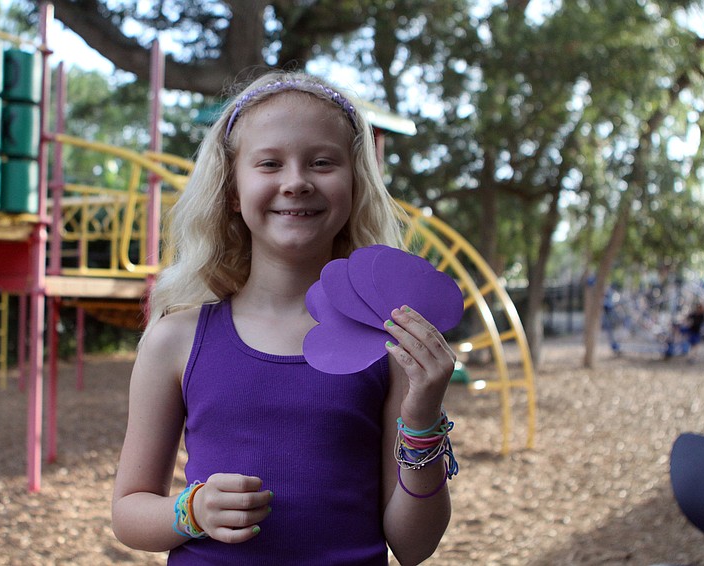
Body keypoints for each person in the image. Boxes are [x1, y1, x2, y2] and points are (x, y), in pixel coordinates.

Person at [111, 70, 457, 565]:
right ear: (232, 190)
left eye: (321, 162)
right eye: (270, 163)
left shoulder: (390, 345)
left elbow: (413, 545)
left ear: (356, 185)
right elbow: (128, 512)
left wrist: (423, 421)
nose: (296, 182)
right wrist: (192, 510)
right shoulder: (175, 341)